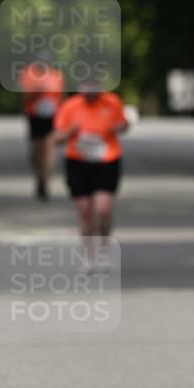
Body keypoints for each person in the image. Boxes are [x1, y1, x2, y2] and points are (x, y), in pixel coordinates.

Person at [53, 79, 129, 272]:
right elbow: (56, 138)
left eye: (94, 89)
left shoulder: (112, 102)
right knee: (85, 212)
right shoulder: (70, 106)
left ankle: (104, 249)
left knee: (103, 210)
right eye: (86, 89)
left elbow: (124, 124)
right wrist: (70, 132)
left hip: (107, 159)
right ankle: (88, 256)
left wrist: (119, 127)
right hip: (78, 161)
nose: (91, 93)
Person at [18, 54, 65, 199]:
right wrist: (36, 92)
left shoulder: (57, 76)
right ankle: (39, 175)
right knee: (37, 150)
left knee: (49, 147)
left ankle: (45, 181)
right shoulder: (28, 75)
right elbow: (24, 97)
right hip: (35, 115)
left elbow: (62, 96)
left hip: (52, 115)